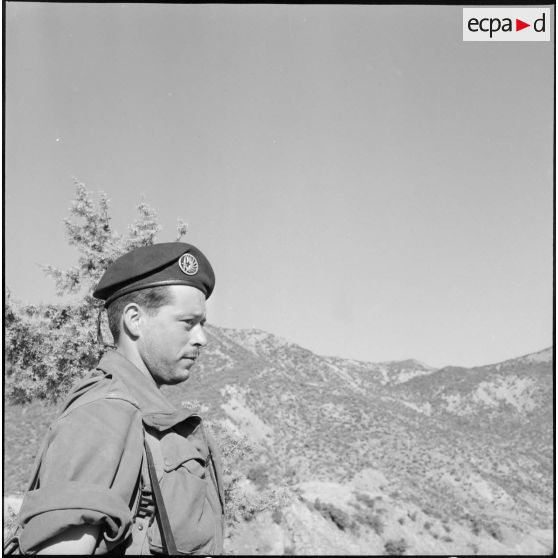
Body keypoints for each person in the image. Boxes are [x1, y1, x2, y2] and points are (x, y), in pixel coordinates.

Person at [14, 242, 225, 555]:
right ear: (134, 320)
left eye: (202, 324)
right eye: (188, 323)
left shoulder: (144, 415)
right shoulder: (104, 413)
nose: (201, 338)